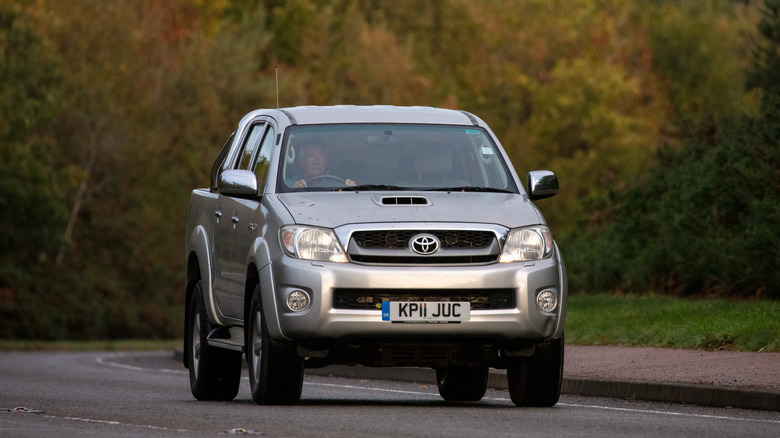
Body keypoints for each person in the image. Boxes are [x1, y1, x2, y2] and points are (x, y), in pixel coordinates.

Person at [289, 139, 356, 188]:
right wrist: (294, 191)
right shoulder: (288, 185)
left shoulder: (336, 183)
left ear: (326, 161)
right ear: (301, 162)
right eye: (311, 156)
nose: (316, 162)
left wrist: (351, 189)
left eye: (321, 156)